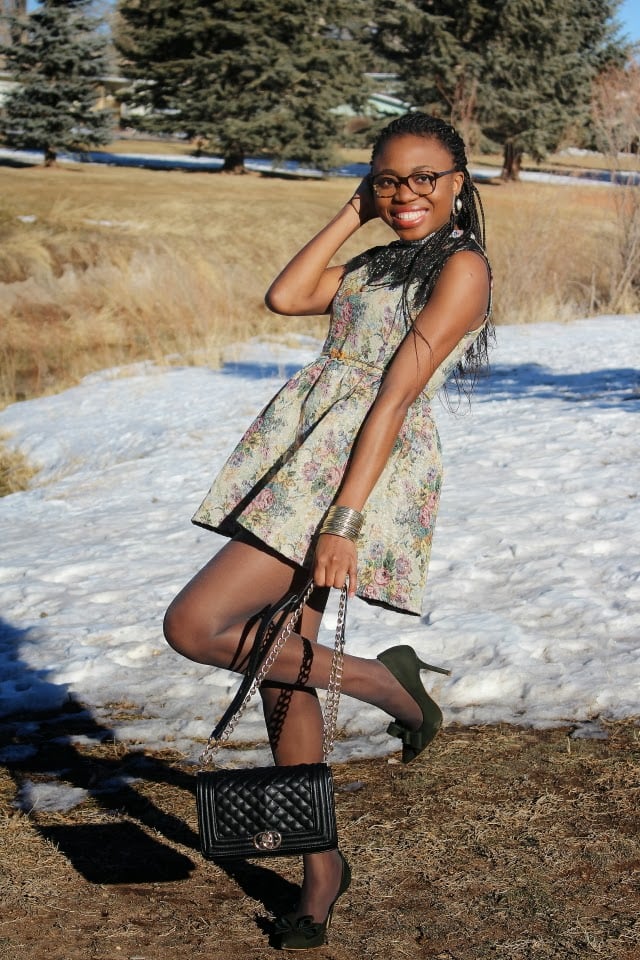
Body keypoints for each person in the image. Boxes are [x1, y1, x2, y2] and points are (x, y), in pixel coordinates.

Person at [164, 112, 493, 950]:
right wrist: (356, 211)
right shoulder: (381, 258)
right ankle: (321, 872)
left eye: (425, 177)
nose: (407, 192)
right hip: (308, 460)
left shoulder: (462, 269)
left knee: (196, 626)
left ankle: (385, 686)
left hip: (356, 475)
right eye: (388, 178)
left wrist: (343, 523)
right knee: (285, 676)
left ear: (459, 184)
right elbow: (287, 294)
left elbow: (393, 396)